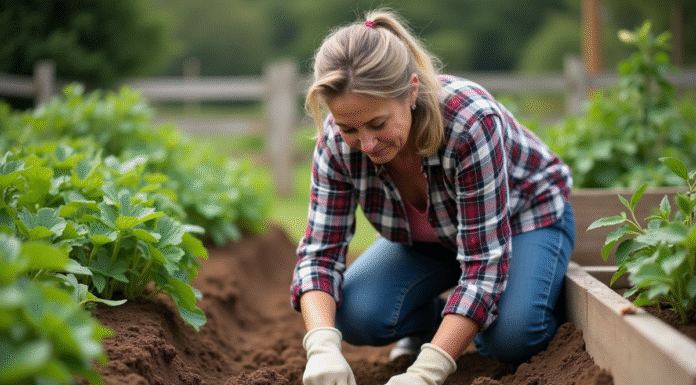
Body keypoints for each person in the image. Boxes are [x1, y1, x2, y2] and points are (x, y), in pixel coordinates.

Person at [290, 8, 576, 385]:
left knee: (510, 338)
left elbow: (484, 262)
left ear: (410, 91)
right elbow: (319, 253)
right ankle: (435, 323)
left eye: (378, 124)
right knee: (355, 315)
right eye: (349, 128)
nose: (367, 143)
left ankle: (524, 296)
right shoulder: (336, 143)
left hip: (524, 220)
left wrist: (427, 372)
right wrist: (322, 346)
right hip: (430, 240)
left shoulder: (470, 123)